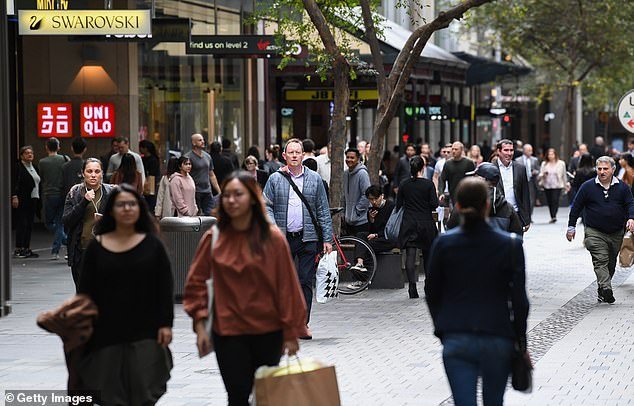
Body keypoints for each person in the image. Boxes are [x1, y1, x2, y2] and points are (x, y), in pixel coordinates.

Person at [184, 172, 307, 406]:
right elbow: (195, 284)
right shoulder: (214, 237)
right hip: (228, 332)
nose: (230, 200)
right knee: (237, 395)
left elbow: (287, 287)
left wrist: (292, 332)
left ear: (252, 197)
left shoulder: (272, 238)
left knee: (265, 395)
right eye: (227, 195)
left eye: (238, 194)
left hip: (268, 332)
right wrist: (200, 325)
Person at [425, 177, 529, 406]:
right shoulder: (510, 245)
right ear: (487, 205)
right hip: (497, 336)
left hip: (457, 335)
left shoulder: (443, 243)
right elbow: (520, 301)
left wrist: (441, 329)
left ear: (458, 206)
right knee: (494, 402)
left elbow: (432, 292)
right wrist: (521, 342)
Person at [77, 184, 173, 405]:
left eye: (132, 204)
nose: (127, 208)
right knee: (110, 394)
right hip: (105, 333)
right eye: (121, 204)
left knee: (144, 391)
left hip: (145, 331)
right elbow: (85, 292)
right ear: (111, 210)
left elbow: (164, 287)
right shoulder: (97, 248)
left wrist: (165, 324)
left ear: (140, 209)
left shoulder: (153, 245)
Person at [263, 138, 333, 339]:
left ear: (303, 155)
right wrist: (273, 227)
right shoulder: (275, 179)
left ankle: (302, 323)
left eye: (297, 152)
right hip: (283, 239)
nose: (294, 155)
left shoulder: (314, 179)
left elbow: (322, 209)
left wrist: (327, 238)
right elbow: (265, 205)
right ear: (284, 156)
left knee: (304, 281)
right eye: (290, 152)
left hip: (308, 238)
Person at [567, 156, 634, 304]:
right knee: (600, 259)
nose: (602, 172)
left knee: (610, 262)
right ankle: (606, 288)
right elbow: (576, 206)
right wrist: (571, 226)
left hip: (616, 232)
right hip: (594, 231)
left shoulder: (623, 187)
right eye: (599, 169)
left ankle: (602, 289)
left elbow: (630, 204)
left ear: (613, 170)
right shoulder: (587, 187)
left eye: (605, 169)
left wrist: (631, 218)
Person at [63, 158, 114, 290]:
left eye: (97, 171)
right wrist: (83, 202)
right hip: (81, 250)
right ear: (83, 173)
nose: (93, 175)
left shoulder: (111, 193)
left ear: (102, 173)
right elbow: (67, 221)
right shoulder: (75, 192)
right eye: (89, 171)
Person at [395, 156, 438, 299]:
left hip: (409, 222)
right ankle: (428, 285)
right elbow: (434, 204)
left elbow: (399, 203)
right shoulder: (428, 184)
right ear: (422, 168)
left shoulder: (404, 184)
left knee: (410, 255)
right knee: (428, 256)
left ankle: (412, 287)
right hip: (426, 222)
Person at [446, 163, 523, 234]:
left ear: (482, 179)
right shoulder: (508, 208)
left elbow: (450, 230)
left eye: (475, 176)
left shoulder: (464, 204)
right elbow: (517, 235)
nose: (472, 178)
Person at [350, 185, 396, 273]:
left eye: (375, 198)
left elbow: (391, 229)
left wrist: (376, 235)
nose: (374, 202)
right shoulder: (372, 209)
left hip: (388, 238)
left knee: (366, 245)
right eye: (370, 199)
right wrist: (371, 220)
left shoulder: (391, 206)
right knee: (360, 236)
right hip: (377, 237)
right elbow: (371, 230)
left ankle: (362, 277)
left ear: (381, 196)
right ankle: (359, 263)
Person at [38, 137, 69, 260]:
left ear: (46, 147)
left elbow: (42, 178)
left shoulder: (42, 162)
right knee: (60, 222)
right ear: (58, 147)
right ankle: (66, 241)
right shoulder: (64, 160)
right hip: (62, 194)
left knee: (49, 222)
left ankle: (57, 248)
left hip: (49, 194)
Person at [495, 139, 531, 233]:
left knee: (516, 244)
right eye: (506, 150)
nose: (509, 153)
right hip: (498, 216)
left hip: (516, 214)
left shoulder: (520, 168)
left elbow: (525, 194)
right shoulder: (492, 168)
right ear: (498, 151)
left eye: (511, 150)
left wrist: (527, 218)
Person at [12, 146, 40, 258]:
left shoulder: (35, 167)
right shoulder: (18, 167)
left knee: (29, 224)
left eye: (31, 153)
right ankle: (19, 248)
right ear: (22, 155)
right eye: (27, 153)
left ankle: (27, 248)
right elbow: (14, 182)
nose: (30, 155)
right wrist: (14, 196)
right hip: (22, 198)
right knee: (22, 223)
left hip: (33, 198)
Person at [186, 133, 221, 216]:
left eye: (203, 140)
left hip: (207, 191)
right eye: (199, 140)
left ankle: (210, 229)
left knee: (211, 215)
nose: (202, 141)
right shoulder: (188, 157)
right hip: (195, 191)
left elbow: (211, 175)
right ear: (194, 143)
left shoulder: (207, 156)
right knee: (196, 216)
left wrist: (219, 190)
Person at [343, 148, 371, 236]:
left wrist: (357, 210)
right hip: (349, 220)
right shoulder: (346, 173)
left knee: (359, 247)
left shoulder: (362, 173)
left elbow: (366, 194)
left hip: (361, 221)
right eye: (347, 157)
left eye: (352, 157)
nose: (349, 160)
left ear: (358, 159)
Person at [538, 147, 568, 223]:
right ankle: (552, 215)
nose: (550, 156)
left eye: (552, 154)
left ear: (555, 155)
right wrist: (543, 174)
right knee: (550, 201)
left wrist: (566, 184)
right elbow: (540, 174)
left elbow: (564, 174)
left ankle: (554, 216)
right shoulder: (544, 163)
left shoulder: (561, 163)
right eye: (549, 154)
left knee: (555, 200)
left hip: (557, 185)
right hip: (547, 185)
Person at [516, 143, 540, 216]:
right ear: (524, 151)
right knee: (522, 198)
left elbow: (538, 170)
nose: (531, 152)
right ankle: (524, 214)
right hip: (521, 182)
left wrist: (535, 172)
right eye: (529, 150)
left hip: (531, 181)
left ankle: (529, 215)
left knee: (531, 199)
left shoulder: (535, 160)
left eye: (531, 150)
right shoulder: (518, 160)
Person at [139, 140, 161, 212]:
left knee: (150, 202)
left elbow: (152, 174)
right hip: (145, 181)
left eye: (141, 147)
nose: (140, 149)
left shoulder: (153, 160)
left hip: (151, 183)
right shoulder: (142, 159)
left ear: (146, 148)